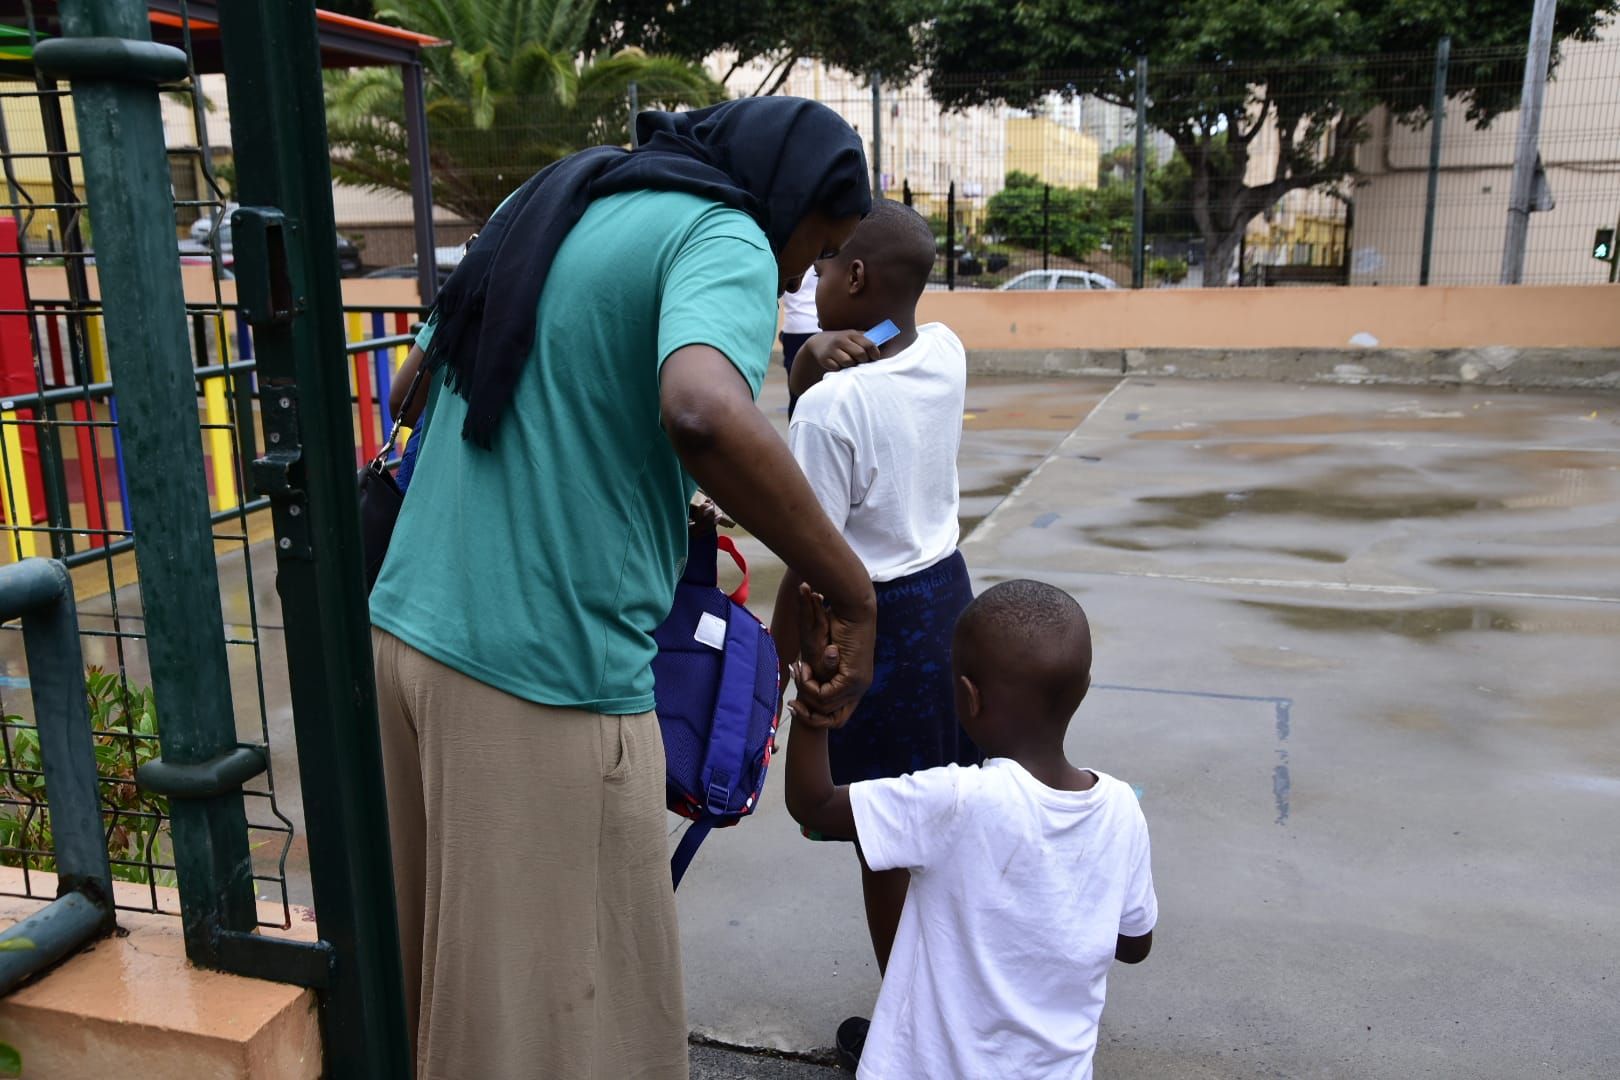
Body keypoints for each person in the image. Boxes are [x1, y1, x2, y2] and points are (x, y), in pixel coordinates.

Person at [369, 98, 879, 1080]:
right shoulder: (725, 235)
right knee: (553, 1028)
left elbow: (411, 387)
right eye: (818, 247)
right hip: (540, 677)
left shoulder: (561, 195)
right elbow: (701, 410)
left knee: (436, 996)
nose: (798, 279)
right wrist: (852, 591)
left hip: (405, 639)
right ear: (789, 201)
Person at [785, 579, 1158, 1079]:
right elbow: (1134, 944)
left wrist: (815, 700)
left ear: (967, 697)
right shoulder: (1120, 808)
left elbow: (812, 804)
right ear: (1083, 688)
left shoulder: (956, 800)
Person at [767, 199, 980, 1068]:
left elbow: (809, 554)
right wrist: (813, 362)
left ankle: (914, 1041)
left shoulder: (830, 410)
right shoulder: (945, 347)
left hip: (873, 623)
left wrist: (777, 659)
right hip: (949, 605)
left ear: (854, 277)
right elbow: (887, 341)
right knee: (944, 821)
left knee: (886, 842)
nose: (812, 276)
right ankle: (951, 1004)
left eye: (823, 263)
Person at [779, 265, 819, 413]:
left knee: (797, 394)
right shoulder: (824, 256)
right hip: (818, 325)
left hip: (794, 328)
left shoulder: (789, 256)